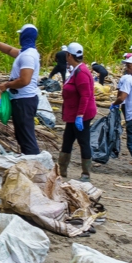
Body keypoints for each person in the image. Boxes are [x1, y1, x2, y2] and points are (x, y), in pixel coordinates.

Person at [0, 24, 41, 155]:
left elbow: (24, 80)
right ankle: (29, 161)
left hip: (24, 100)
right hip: (21, 99)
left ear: (24, 36)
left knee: (26, 137)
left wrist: (7, 85)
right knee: (22, 135)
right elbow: (9, 50)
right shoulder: (26, 52)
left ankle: (33, 165)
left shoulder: (27, 56)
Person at [57, 42, 97, 181]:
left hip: (81, 114)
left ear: (69, 55)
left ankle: (86, 173)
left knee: (83, 141)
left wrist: (80, 115)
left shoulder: (81, 73)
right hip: (73, 113)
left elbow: (85, 96)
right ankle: (62, 170)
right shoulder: (76, 70)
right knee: (67, 140)